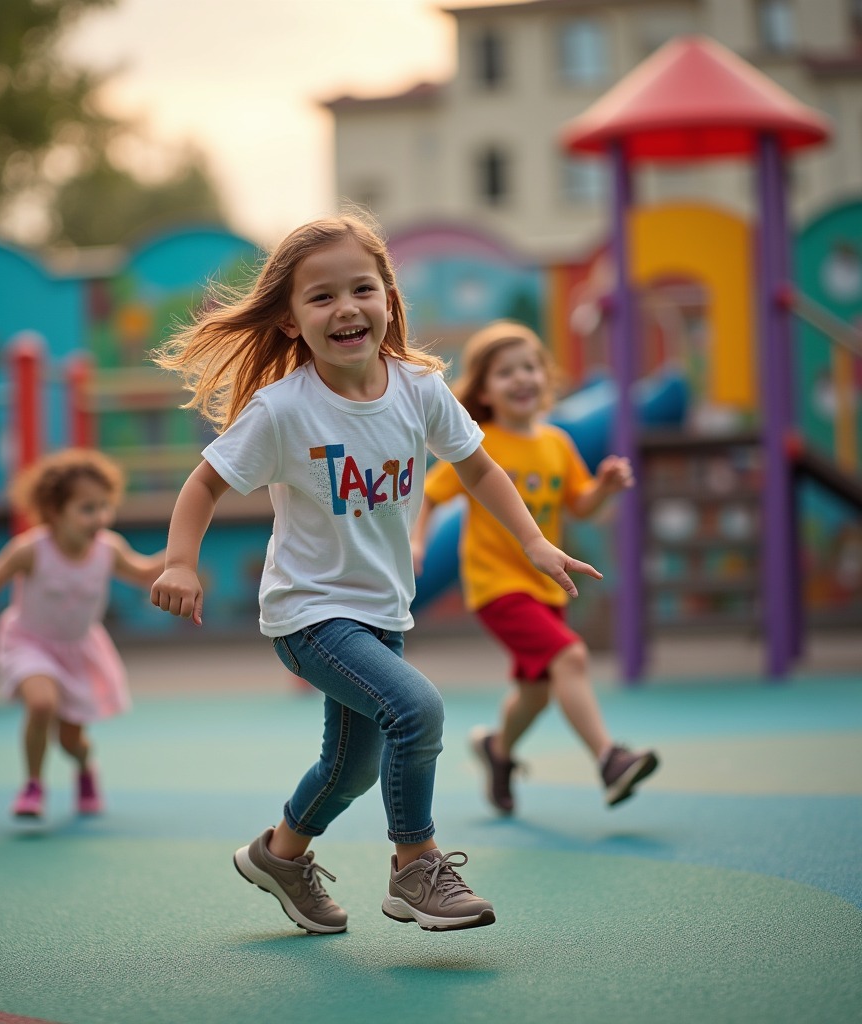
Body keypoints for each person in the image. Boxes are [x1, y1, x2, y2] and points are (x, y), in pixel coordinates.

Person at [149, 214, 603, 934]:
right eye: (321, 297)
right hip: (309, 613)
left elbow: (480, 468)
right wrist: (180, 561)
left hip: (382, 610)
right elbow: (205, 483)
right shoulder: (283, 410)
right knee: (417, 709)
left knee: (352, 768)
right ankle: (415, 867)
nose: (346, 308)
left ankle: (280, 855)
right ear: (291, 321)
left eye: (362, 289)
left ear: (389, 297)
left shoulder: (419, 389)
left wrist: (533, 541)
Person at [412, 321, 659, 817]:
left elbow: (579, 504)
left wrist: (604, 488)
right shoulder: (479, 445)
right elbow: (431, 494)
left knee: (537, 691)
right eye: (506, 373)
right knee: (570, 657)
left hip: (544, 586)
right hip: (496, 586)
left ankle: (497, 750)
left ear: (545, 378)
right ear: (484, 391)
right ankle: (609, 760)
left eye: (529, 368)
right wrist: (417, 541)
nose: (522, 378)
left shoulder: (557, 444)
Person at [0, 448, 165, 821]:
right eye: (87, 509)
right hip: (29, 642)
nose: (99, 517)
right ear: (55, 512)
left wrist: (183, 550)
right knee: (41, 704)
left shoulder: (108, 549)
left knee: (72, 740)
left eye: (105, 506)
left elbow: (145, 572)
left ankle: (85, 766)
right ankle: (33, 786)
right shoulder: (31, 550)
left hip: (78, 651)